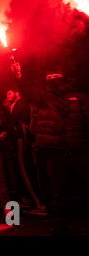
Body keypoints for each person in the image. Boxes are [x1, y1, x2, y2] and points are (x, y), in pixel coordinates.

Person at [11, 63, 89, 234]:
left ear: (63, 77)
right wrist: (18, 76)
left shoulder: (79, 96)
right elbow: (28, 93)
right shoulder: (44, 97)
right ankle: (62, 225)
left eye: (56, 76)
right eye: (49, 77)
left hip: (79, 149)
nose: (53, 80)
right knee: (59, 190)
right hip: (55, 151)